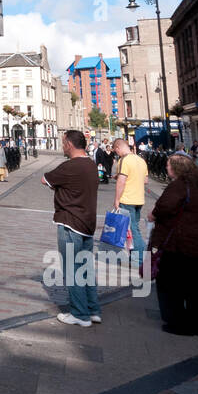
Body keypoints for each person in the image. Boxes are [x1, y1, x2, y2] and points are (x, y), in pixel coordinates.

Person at [42, 130, 101, 326]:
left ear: (68, 144)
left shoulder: (70, 166)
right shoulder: (91, 165)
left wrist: (58, 187)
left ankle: (79, 314)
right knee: (86, 268)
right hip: (87, 224)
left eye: (62, 142)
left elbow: (46, 179)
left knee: (72, 269)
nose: (62, 146)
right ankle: (93, 309)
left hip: (70, 223)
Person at [148, 153, 198, 335]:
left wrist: (153, 214)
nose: (166, 168)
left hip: (179, 244)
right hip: (196, 243)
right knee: (193, 287)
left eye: (168, 165)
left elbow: (165, 207)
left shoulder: (178, 186)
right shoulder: (196, 185)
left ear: (177, 168)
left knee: (171, 284)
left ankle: (178, 323)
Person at [112, 137, 148, 266]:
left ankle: (140, 257)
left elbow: (121, 181)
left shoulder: (124, 160)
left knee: (131, 230)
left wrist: (116, 199)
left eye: (116, 151)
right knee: (134, 228)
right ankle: (136, 255)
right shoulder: (141, 160)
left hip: (127, 198)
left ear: (118, 148)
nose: (116, 154)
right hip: (139, 199)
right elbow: (145, 180)